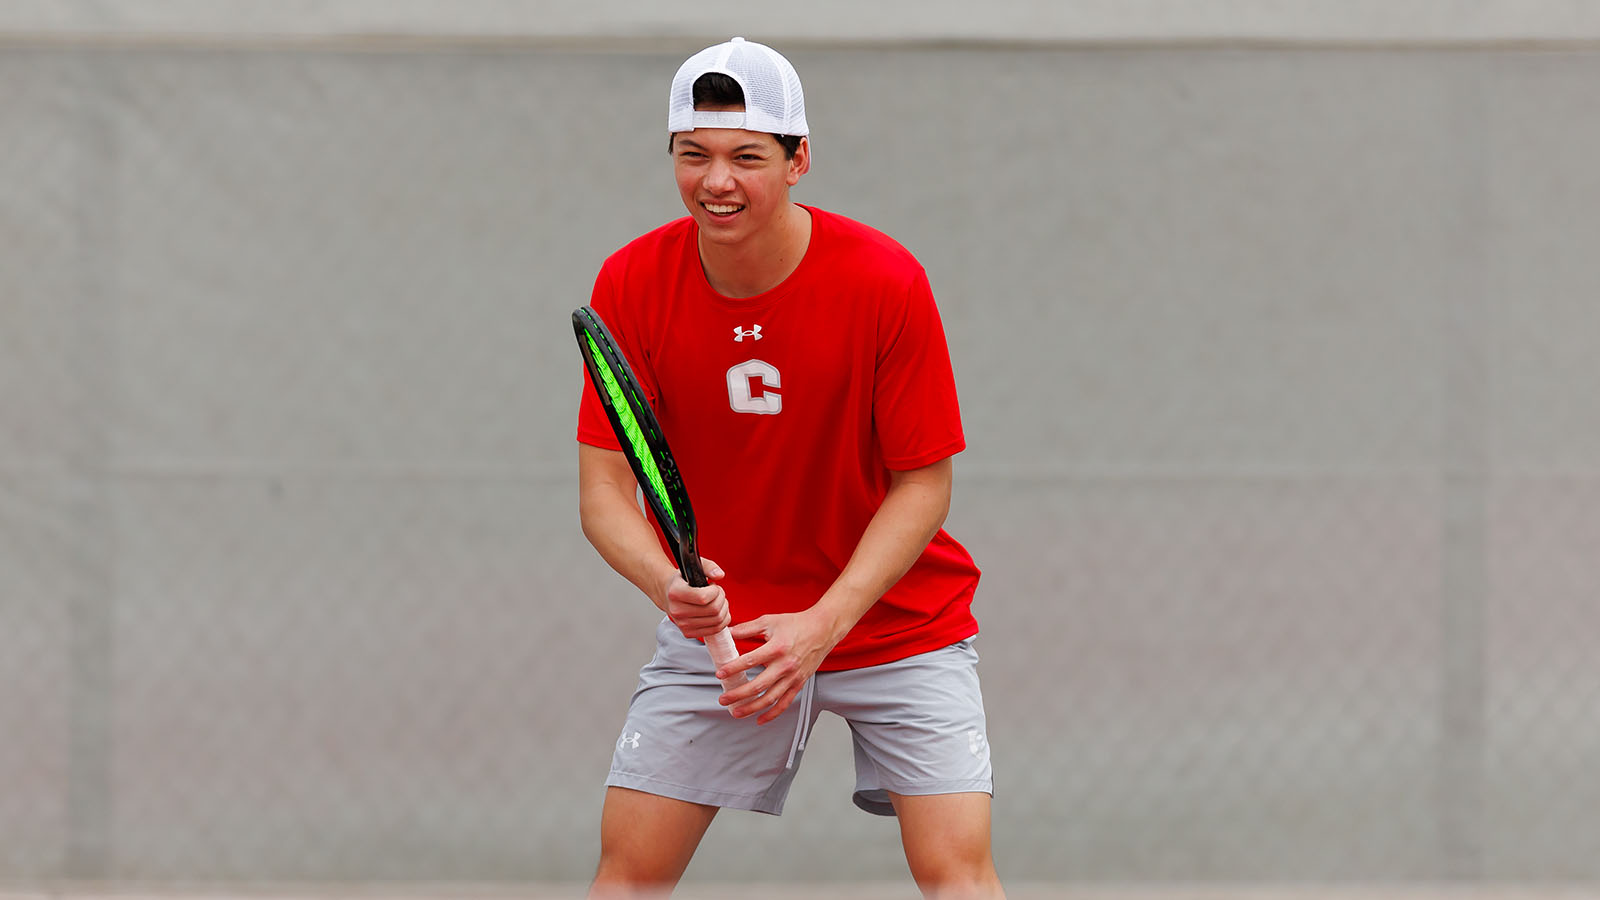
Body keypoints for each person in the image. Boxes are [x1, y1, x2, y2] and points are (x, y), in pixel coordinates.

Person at [576, 36, 1003, 898]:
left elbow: (924, 485)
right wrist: (669, 585)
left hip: (897, 625)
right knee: (628, 875)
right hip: (726, 639)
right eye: (693, 154)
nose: (717, 180)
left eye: (746, 156)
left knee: (955, 871)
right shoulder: (630, 281)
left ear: (798, 159)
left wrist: (825, 623)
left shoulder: (885, 281)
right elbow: (604, 493)